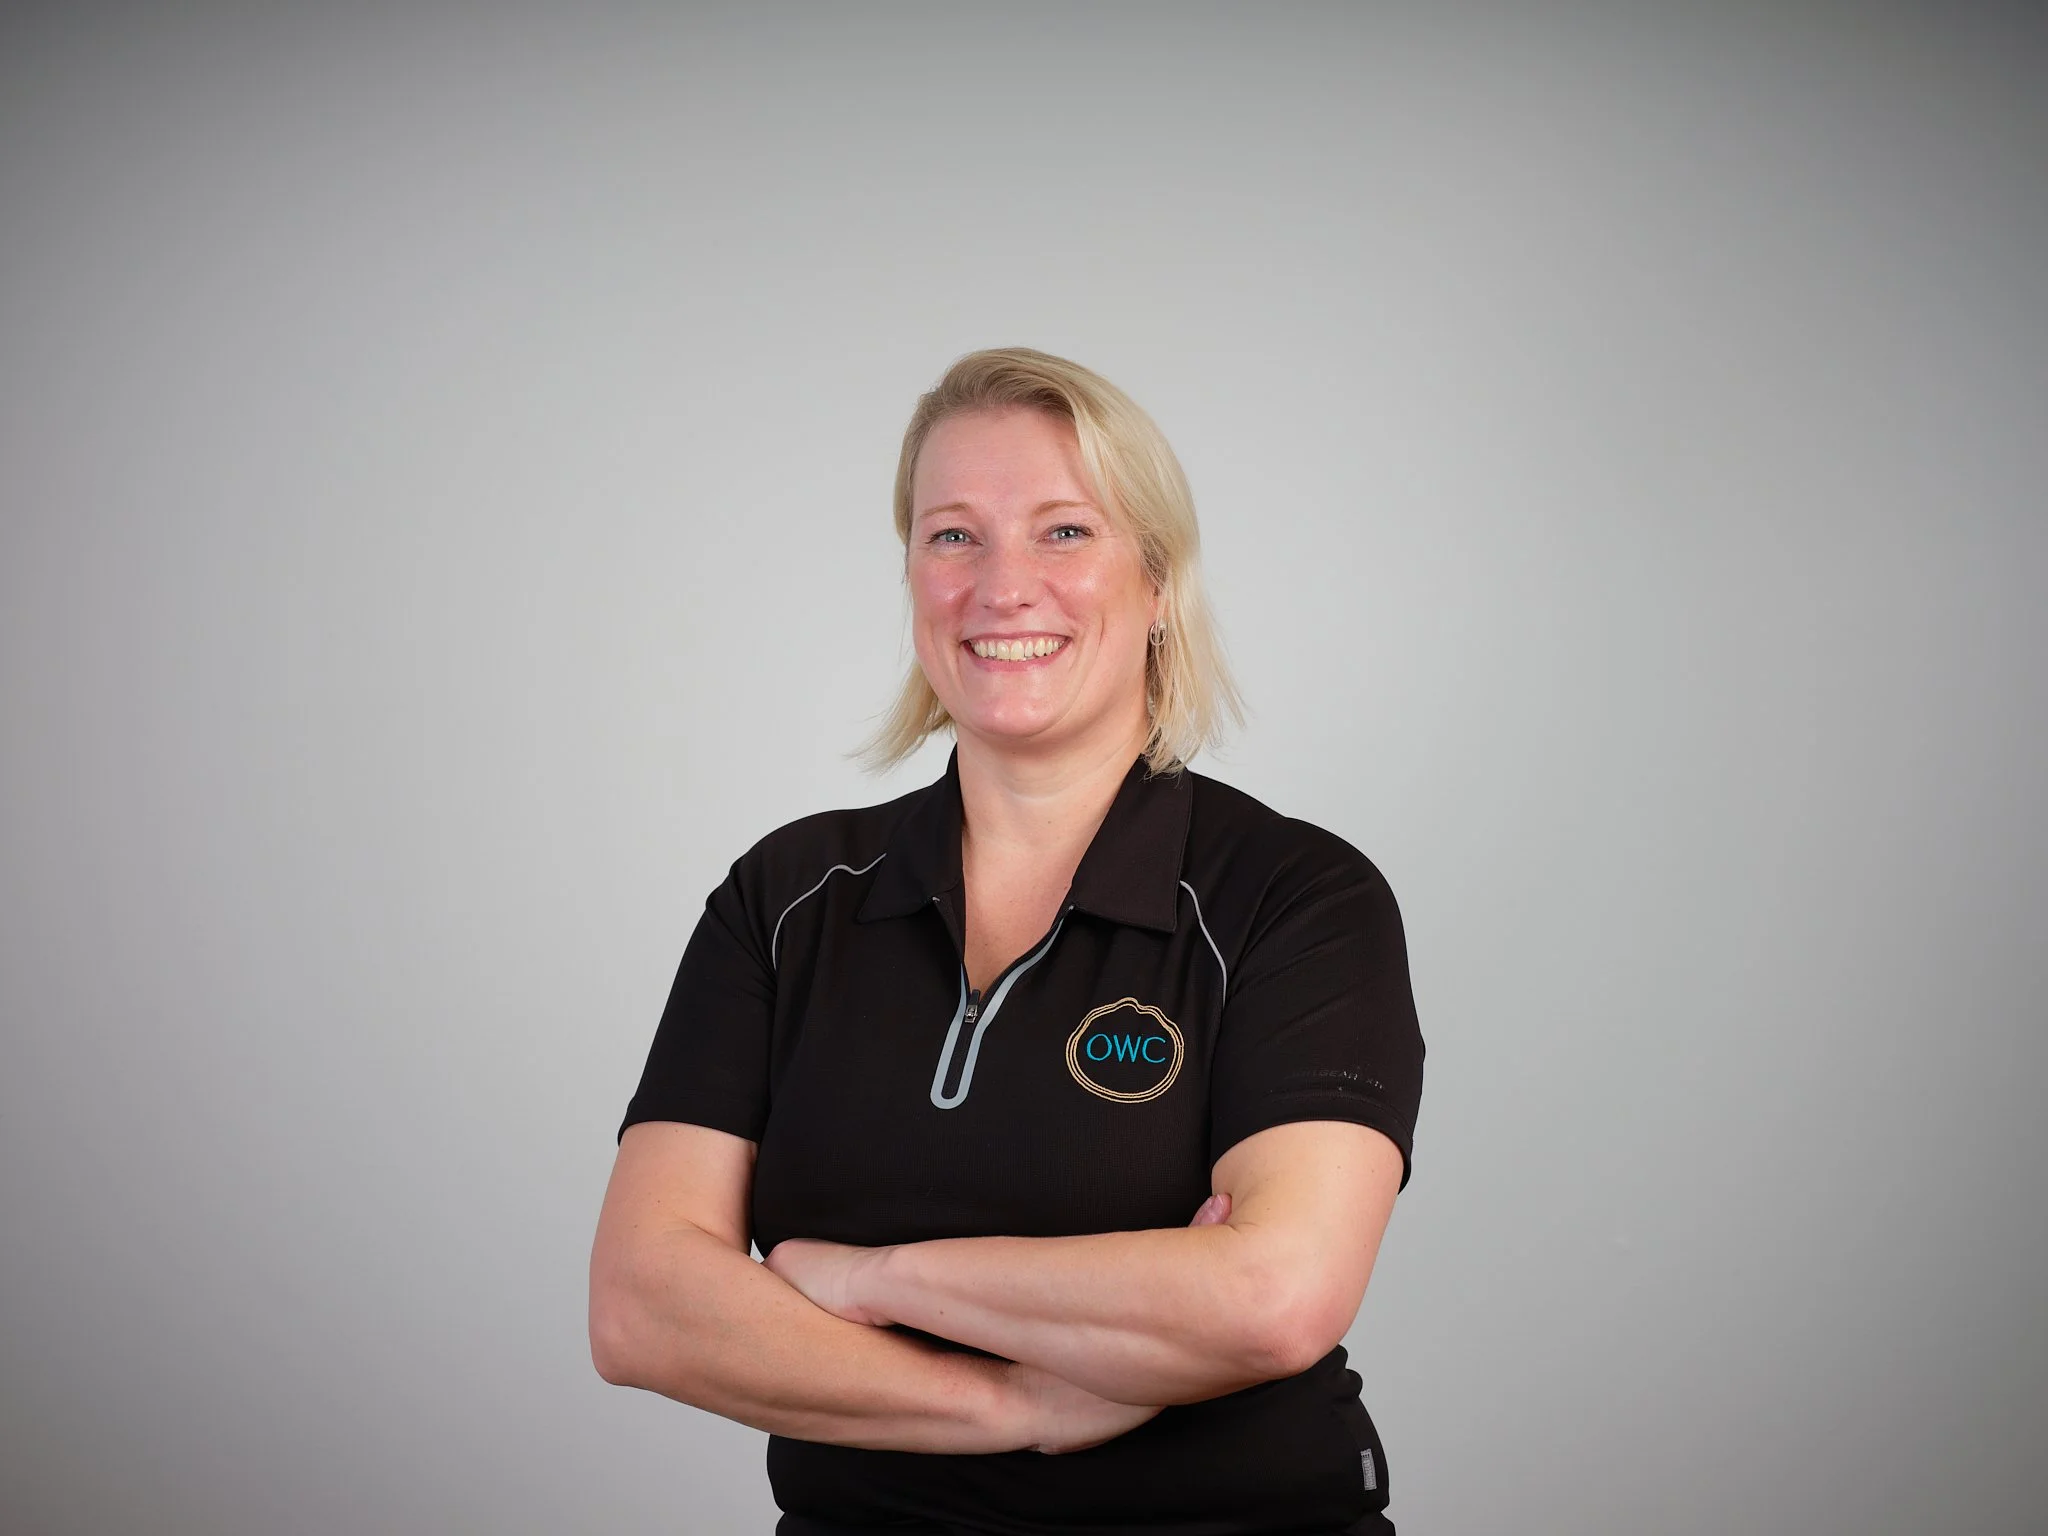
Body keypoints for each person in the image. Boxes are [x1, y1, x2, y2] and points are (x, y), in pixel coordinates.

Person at [589, 347, 1426, 1535]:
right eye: (952, 537)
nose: (1000, 588)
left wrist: (868, 1278)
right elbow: (641, 1308)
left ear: (1158, 585)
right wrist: (1015, 1405)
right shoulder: (785, 898)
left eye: (1064, 532)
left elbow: (1272, 1299)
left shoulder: (1293, 897)